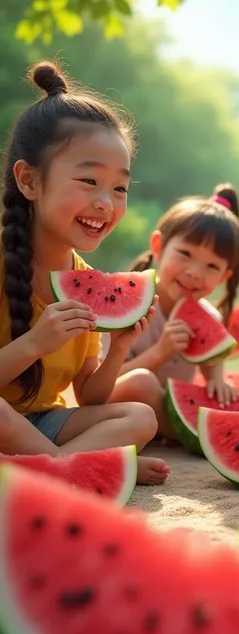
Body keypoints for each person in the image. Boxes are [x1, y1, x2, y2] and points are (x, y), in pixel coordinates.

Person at [0, 60, 169, 485]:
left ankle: (49, 470)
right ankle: (75, 468)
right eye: (89, 180)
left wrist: (118, 350)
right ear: (29, 181)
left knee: (141, 415)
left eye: (119, 188)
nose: (106, 204)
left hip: (42, 426)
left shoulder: (85, 280)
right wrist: (34, 343)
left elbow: (88, 394)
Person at [102, 183, 239, 442]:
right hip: (115, 407)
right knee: (142, 383)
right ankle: (196, 436)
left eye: (212, 266)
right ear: (158, 246)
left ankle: (190, 431)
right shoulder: (121, 304)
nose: (194, 273)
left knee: (229, 394)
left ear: (224, 277)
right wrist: (160, 352)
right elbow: (99, 386)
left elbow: (213, 367)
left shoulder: (208, 317)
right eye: (185, 254)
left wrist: (219, 383)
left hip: (169, 410)